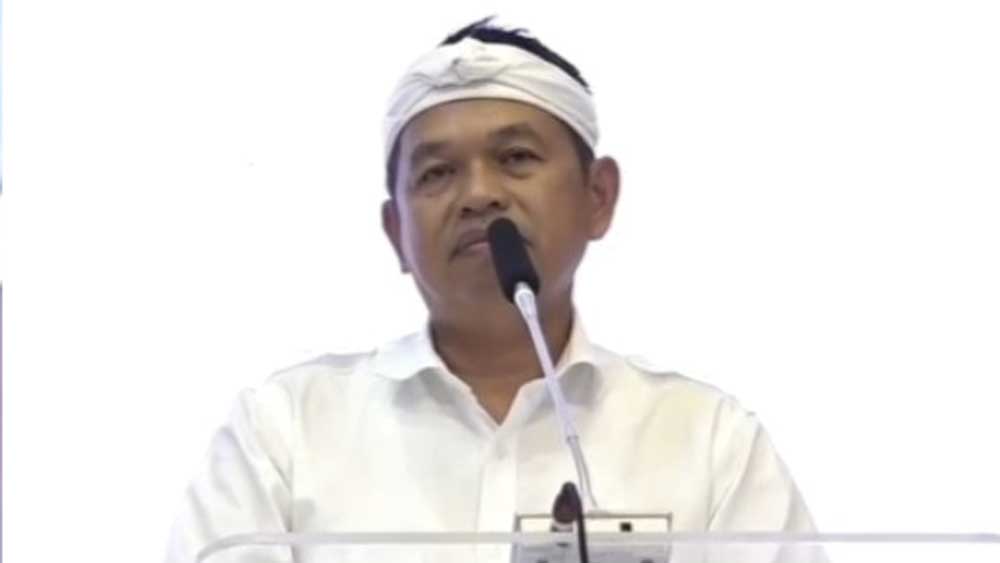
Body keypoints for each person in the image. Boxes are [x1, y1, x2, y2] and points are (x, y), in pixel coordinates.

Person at [166, 17, 819, 563]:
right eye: (437, 173)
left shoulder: (709, 441)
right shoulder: (283, 433)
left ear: (597, 197)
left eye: (516, 158)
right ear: (396, 232)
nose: (479, 194)